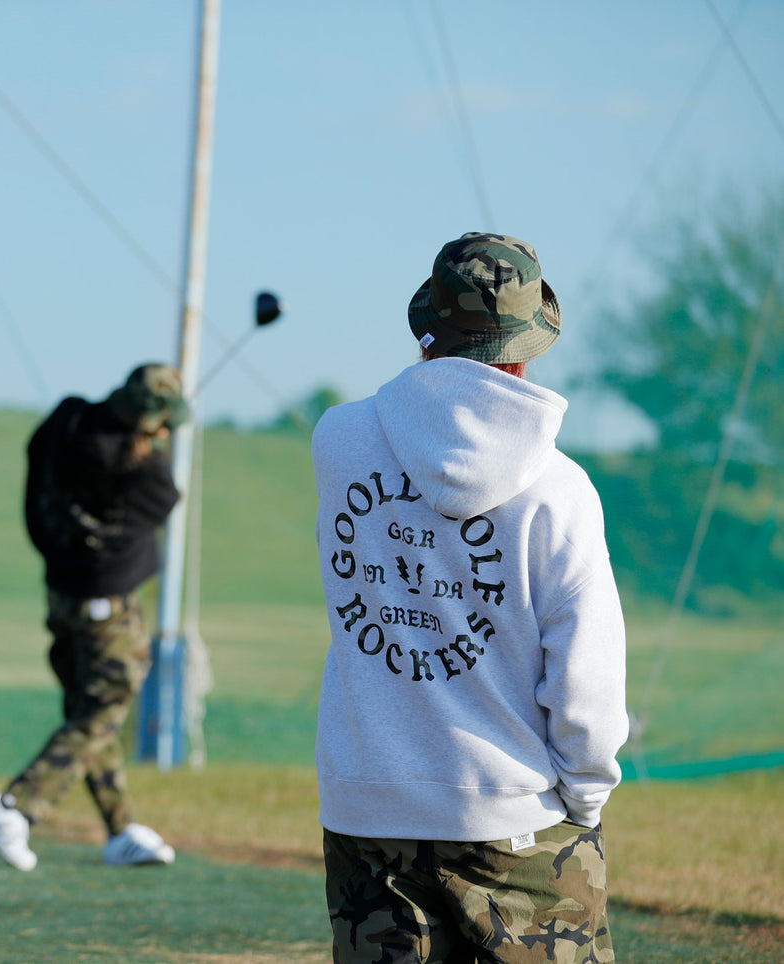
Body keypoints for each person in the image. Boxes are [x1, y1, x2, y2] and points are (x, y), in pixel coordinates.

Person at [310, 232, 628, 963]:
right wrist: (581, 798)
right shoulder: (558, 488)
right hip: (513, 822)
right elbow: (585, 676)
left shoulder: (338, 439)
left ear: (427, 331)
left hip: (366, 812)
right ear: (527, 350)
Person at [0, 363, 187, 871]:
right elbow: (162, 494)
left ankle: (119, 829)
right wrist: (147, 439)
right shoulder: (148, 475)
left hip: (61, 593)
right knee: (102, 710)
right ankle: (16, 807)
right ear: (151, 424)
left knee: (88, 712)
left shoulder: (66, 420)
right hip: (109, 607)